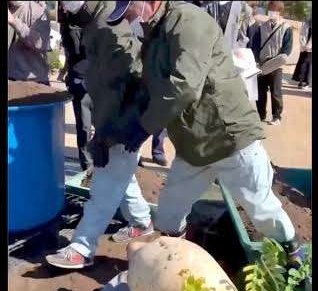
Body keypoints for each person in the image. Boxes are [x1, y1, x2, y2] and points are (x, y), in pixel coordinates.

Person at [106, 1, 303, 262]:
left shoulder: (188, 21)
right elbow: (149, 87)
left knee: (261, 209)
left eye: (130, 12)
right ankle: (172, 265)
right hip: (193, 144)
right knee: (169, 212)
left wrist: (144, 127)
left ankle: (294, 263)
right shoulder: (153, 34)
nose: (131, 19)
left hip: (228, 136)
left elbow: (184, 86)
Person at [46, 1, 154, 269]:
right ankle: (142, 221)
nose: (68, 13)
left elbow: (123, 81)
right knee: (122, 174)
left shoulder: (107, 23)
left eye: (71, 9)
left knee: (105, 183)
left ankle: (83, 247)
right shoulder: (98, 19)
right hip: (121, 116)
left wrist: (107, 131)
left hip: (124, 120)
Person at [58, 6, 93, 171]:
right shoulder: (66, 18)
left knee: (102, 127)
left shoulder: (97, 14)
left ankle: (104, 168)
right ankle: (88, 169)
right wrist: (66, 70)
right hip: (78, 80)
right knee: (84, 128)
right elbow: (69, 49)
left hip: (98, 80)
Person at [249, 1, 293, 125]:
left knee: (276, 92)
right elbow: (256, 45)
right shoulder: (262, 26)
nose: (271, 12)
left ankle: (276, 116)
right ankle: (260, 115)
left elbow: (287, 49)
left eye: (274, 10)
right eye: (270, 9)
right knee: (260, 91)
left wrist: (276, 61)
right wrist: (256, 60)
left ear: (280, 11)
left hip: (276, 65)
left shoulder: (286, 27)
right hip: (262, 64)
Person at [7, 1, 50, 85]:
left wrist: (13, 21)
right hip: (10, 79)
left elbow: (40, 44)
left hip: (33, 81)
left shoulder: (38, 10)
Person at [292, 17, 311, 90]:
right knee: (302, 64)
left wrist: (309, 46)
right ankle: (300, 81)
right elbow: (302, 34)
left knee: (309, 66)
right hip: (303, 48)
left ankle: (307, 83)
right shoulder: (306, 23)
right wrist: (303, 44)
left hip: (311, 50)